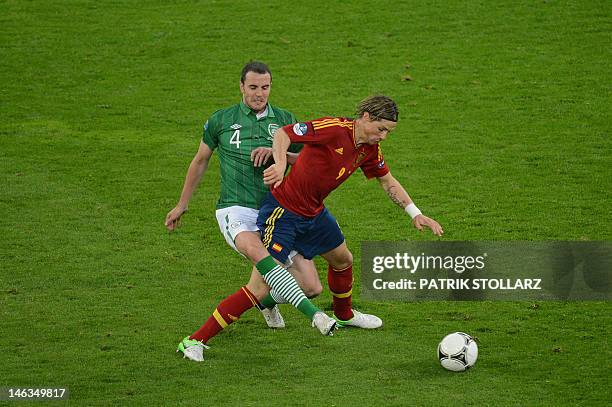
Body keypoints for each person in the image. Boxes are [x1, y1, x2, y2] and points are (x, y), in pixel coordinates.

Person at [166, 62, 336, 363]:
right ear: (242, 87)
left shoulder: (284, 120)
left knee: (311, 286)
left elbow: (306, 160)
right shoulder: (221, 120)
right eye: (254, 87)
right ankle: (315, 317)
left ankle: (268, 303)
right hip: (236, 211)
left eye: (265, 87)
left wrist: (278, 154)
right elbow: (201, 160)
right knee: (263, 261)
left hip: (278, 214)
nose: (260, 94)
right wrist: (182, 203)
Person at [258, 95, 444, 328]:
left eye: (388, 132)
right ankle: (207, 333)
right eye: (381, 129)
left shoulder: (369, 149)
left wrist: (415, 212)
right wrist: (280, 164)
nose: (383, 136)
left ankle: (344, 314)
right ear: (366, 117)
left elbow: (387, 181)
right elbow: (283, 133)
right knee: (265, 281)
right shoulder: (334, 128)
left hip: (314, 212)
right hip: (284, 210)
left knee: (343, 260)